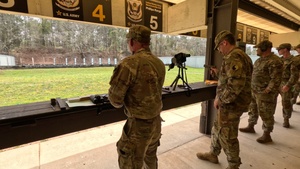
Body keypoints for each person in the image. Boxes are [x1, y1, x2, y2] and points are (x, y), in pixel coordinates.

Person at [108, 25, 166, 169]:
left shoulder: (129, 64)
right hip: (156, 123)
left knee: (130, 162)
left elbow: (116, 101)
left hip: (138, 127)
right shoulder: (159, 63)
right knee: (150, 159)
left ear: (132, 42)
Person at [196, 30, 253, 169]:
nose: (219, 51)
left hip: (231, 104)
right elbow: (231, 79)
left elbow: (235, 85)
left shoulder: (234, 57)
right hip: (230, 103)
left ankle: (234, 164)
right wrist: (218, 75)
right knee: (217, 128)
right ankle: (213, 154)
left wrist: (220, 99)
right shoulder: (242, 56)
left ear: (225, 43)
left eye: (219, 47)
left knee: (228, 135)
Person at [239, 40, 283, 143]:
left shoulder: (274, 61)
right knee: (253, 109)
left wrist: (267, 90)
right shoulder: (259, 61)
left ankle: (267, 134)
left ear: (265, 48)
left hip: (265, 94)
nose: (256, 50)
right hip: (254, 91)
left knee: (266, 113)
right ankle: (251, 126)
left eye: (258, 48)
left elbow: (276, 79)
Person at [277, 43, 299, 128]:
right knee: (271, 101)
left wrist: (288, 85)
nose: (278, 50)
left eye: (280, 49)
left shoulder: (294, 60)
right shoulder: (279, 60)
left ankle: (286, 119)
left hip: (286, 84)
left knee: (286, 103)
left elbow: (294, 75)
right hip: (277, 83)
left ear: (285, 49)